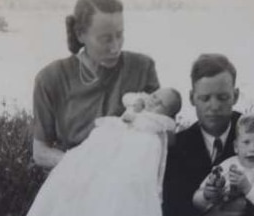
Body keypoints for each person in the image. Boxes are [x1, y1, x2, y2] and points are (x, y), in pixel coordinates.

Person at [163, 53, 254, 216]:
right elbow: (171, 204)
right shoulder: (179, 145)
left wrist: (247, 205)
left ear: (236, 95)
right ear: (192, 98)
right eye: (205, 98)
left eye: (223, 97)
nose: (214, 106)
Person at [32, 0, 160, 169]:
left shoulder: (142, 68)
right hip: (73, 179)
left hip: (128, 176)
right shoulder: (51, 78)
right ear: (80, 34)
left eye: (119, 35)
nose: (115, 48)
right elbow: (40, 152)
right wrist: (83, 165)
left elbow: (163, 133)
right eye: (105, 39)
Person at [26, 88, 182, 216]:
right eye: (154, 96)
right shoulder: (138, 103)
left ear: (167, 113)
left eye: (160, 103)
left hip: (127, 167)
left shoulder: (158, 125)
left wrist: (135, 117)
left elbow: (165, 133)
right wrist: (137, 104)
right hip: (106, 149)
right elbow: (127, 98)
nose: (154, 101)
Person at [193, 114, 254, 215]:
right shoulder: (227, 166)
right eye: (246, 142)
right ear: (236, 146)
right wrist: (206, 195)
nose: (252, 148)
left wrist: (247, 188)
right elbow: (197, 201)